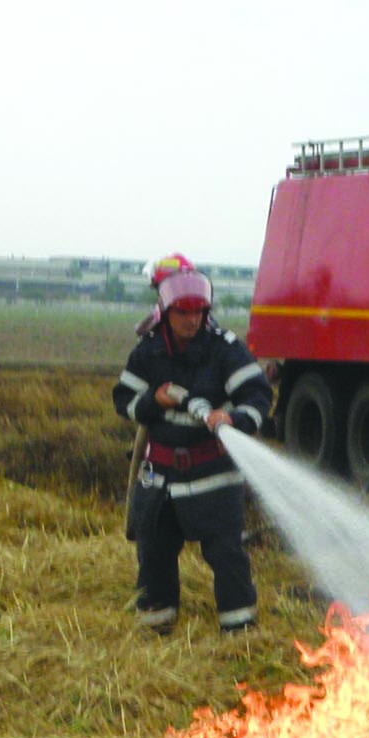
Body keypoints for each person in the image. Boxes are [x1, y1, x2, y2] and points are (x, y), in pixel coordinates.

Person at [111, 268, 273, 634]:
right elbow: (124, 400)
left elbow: (257, 395)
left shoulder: (224, 349)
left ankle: (240, 636)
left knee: (227, 555)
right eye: (183, 312)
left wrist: (233, 420)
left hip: (213, 475)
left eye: (198, 311)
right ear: (166, 312)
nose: (192, 320)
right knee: (153, 553)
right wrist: (154, 400)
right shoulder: (149, 351)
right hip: (159, 477)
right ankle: (156, 629)